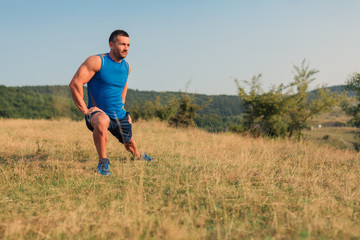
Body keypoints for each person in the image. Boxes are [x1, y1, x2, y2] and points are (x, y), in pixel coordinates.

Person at [69, 29, 153, 176]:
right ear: (111, 45)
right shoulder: (97, 61)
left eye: (128, 45)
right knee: (103, 121)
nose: (126, 48)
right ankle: (103, 162)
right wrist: (85, 110)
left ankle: (138, 157)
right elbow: (75, 83)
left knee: (129, 143)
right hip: (98, 113)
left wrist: (123, 107)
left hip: (118, 114)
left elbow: (123, 86)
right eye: (122, 44)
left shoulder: (127, 67)